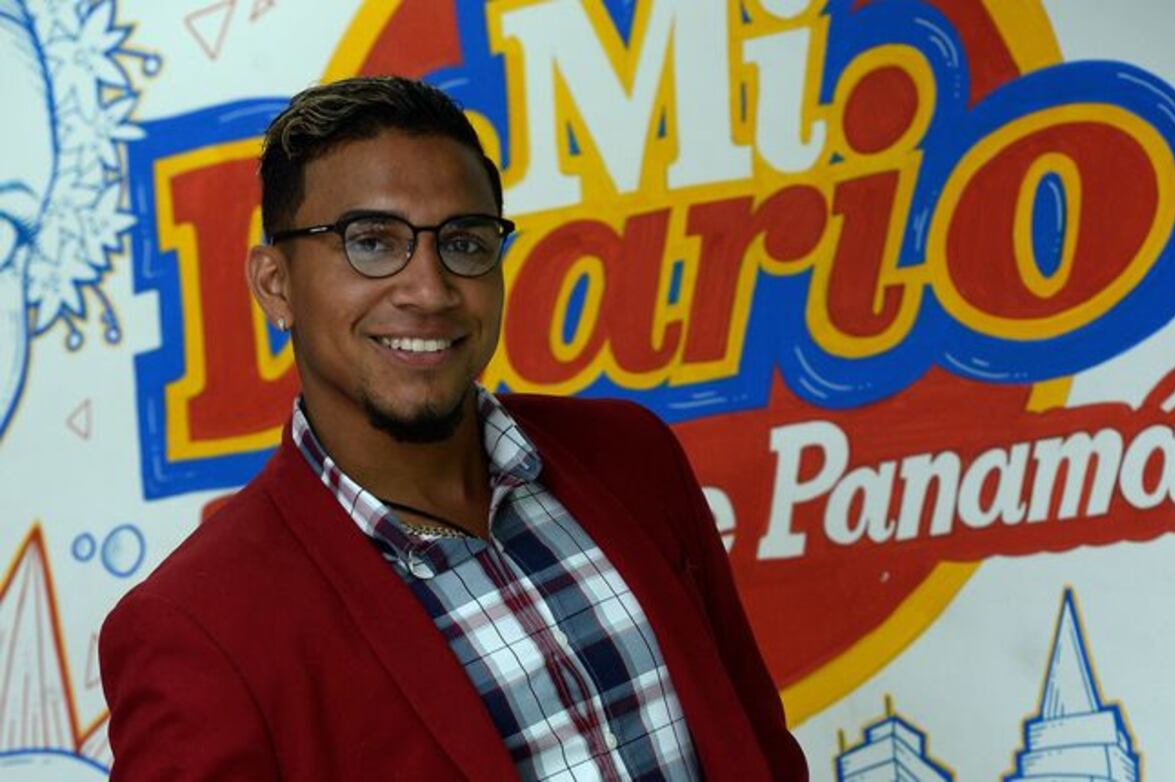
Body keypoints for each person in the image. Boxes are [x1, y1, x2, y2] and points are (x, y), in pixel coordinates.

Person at [100, 76, 808, 781]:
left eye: (464, 243)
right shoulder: (199, 628)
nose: (430, 290)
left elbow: (759, 748)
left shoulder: (630, 454)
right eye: (371, 242)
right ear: (274, 284)